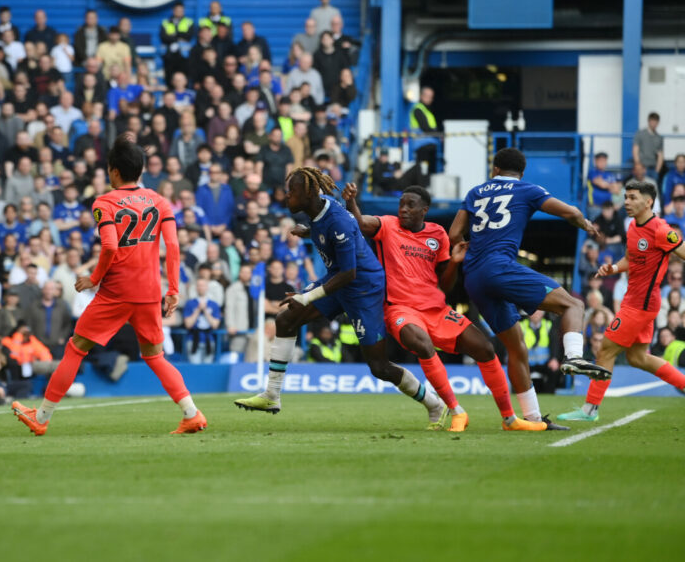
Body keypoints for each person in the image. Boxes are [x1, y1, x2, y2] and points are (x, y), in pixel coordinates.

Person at [12, 135, 207, 435]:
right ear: (140, 171)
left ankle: (41, 418)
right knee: (155, 356)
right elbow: (173, 246)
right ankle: (191, 413)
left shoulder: (104, 202)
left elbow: (110, 247)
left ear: (114, 171)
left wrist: (94, 278)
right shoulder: (159, 201)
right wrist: (173, 290)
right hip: (149, 291)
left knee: (76, 348)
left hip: (116, 292)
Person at [234, 168, 449, 428]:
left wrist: (308, 296)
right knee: (285, 320)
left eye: (293, 191)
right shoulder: (319, 212)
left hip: (363, 289)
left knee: (379, 367)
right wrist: (309, 232)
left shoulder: (338, 220)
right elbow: (330, 242)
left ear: (310, 193)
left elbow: (350, 272)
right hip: (338, 281)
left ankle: (435, 404)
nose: (287, 195)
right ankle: (272, 395)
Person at [343, 183, 548, 431]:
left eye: (410, 205)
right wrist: (352, 202)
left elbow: (446, 284)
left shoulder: (437, 234)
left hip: (436, 309)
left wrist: (454, 263)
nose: (403, 210)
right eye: (401, 204)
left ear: (424, 210)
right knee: (421, 344)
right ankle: (456, 411)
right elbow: (362, 223)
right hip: (401, 308)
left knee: (484, 348)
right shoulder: (387, 225)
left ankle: (509, 419)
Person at [448, 147, 610, 429]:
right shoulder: (527, 189)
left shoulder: (475, 192)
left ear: (495, 169)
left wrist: (471, 245)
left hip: (473, 277)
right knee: (573, 305)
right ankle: (574, 357)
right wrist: (582, 222)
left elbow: (453, 234)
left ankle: (533, 420)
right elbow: (569, 211)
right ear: (521, 173)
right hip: (500, 268)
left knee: (517, 348)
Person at [558, 181, 685, 422]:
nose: (626, 202)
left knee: (606, 350)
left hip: (641, 305)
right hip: (634, 300)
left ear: (648, 202)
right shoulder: (633, 227)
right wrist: (613, 268)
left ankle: (590, 410)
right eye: (625, 197)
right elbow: (631, 259)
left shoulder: (660, 229)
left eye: (633, 197)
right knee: (638, 358)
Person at [410, 86, 442, 174]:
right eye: (428, 96)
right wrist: (439, 134)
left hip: (429, 144)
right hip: (422, 145)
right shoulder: (418, 109)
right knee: (423, 171)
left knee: (428, 170)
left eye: (431, 97)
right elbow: (425, 128)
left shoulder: (427, 110)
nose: (430, 99)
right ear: (422, 96)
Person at [633, 111, 663, 182]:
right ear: (648, 121)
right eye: (652, 121)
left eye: (656, 121)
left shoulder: (659, 137)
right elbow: (635, 150)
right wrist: (638, 167)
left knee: (652, 190)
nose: (654, 123)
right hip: (642, 168)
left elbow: (660, 155)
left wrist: (657, 170)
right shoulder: (640, 134)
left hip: (653, 169)